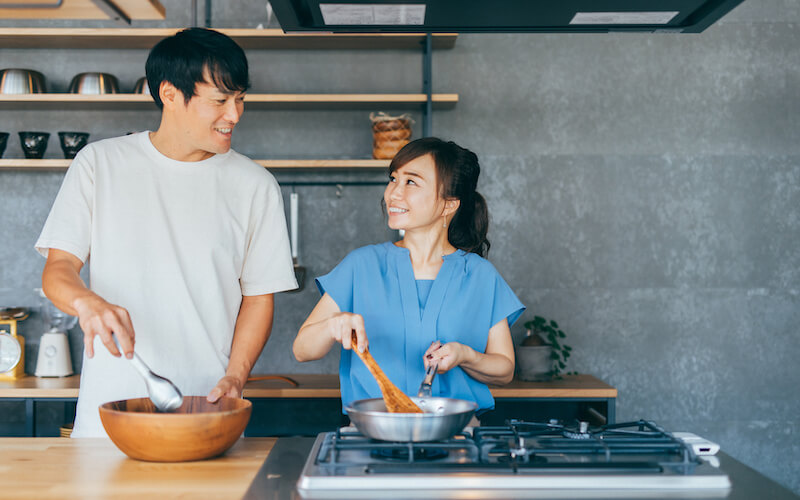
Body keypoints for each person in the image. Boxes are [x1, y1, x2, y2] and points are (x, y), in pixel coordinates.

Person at [35, 28, 297, 437]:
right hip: (109, 418)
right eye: (220, 100)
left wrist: (236, 377)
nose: (235, 114)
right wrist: (86, 302)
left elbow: (259, 298)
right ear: (171, 95)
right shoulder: (99, 164)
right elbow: (58, 268)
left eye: (240, 99)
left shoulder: (255, 184)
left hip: (210, 413)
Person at [293, 137, 524, 414]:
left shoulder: (480, 276)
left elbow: (504, 369)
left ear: (449, 204)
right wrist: (332, 325)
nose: (393, 193)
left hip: (456, 438)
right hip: (372, 434)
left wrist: (465, 355)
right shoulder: (361, 265)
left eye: (411, 182)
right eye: (393, 179)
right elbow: (302, 350)